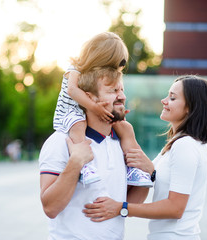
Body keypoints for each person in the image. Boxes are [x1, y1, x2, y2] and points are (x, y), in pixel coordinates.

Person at [83, 75, 207, 240]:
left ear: (190, 108)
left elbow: (175, 208)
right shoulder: (181, 143)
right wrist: (152, 171)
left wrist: (120, 208)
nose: (164, 101)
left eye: (172, 98)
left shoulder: (185, 145)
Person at [39, 67, 148, 239]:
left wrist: (146, 173)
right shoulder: (61, 141)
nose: (122, 96)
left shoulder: (121, 142)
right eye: (113, 90)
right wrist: (76, 162)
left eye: (122, 90)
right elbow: (50, 208)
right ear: (89, 98)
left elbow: (131, 202)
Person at [53, 31, 152, 187]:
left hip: (86, 110)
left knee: (125, 127)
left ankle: (133, 169)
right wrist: (95, 107)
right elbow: (72, 90)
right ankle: (84, 166)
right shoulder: (76, 67)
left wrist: (118, 114)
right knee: (78, 124)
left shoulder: (99, 75)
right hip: (69, 112)